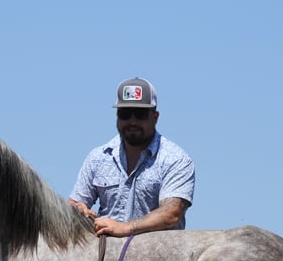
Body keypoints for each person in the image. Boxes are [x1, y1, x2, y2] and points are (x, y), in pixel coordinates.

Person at [68, 77, 195, 237]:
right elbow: (74, 203)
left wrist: (125, 228)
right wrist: (76, 209)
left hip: (158, 258)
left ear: (155, 116)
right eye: (125, 113)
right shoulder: (97, 158)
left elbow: (171, 214)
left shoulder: (176, 159)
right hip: (106, 256)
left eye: (140, 114)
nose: (132, 121)